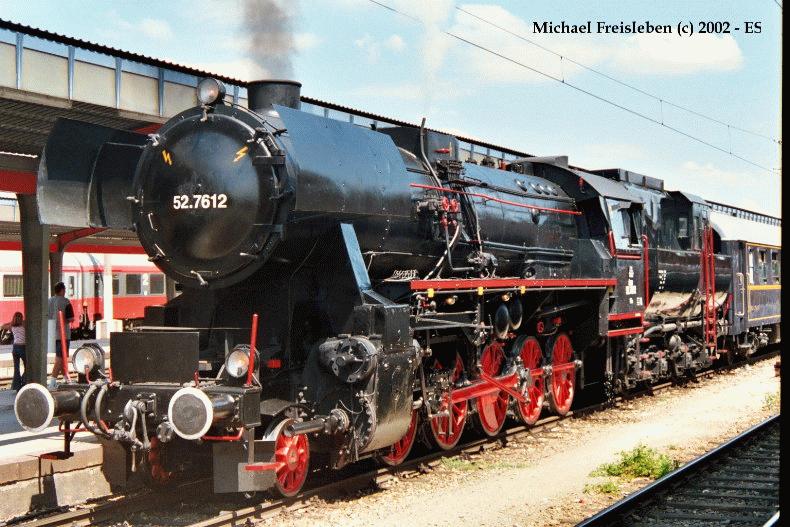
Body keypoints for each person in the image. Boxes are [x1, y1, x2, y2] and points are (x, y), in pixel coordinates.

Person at [49, 281, 74, 385]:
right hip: (63, 334)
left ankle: (66, 378)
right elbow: (71, 318)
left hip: (51, 334)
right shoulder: (66, 302)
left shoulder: (49, 301)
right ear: (62, 290)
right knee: (60, 358)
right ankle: (52, 381)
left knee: (62, 357)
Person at [1, 312, 25, 391]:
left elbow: (3, 326)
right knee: (28, 367)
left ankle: (17, 387)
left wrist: (11, 322)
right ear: (21, 318)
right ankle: (24, 382)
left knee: (16, 368)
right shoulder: (24, 325)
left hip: (15, 348)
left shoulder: (11, 326)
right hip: (23, 347)